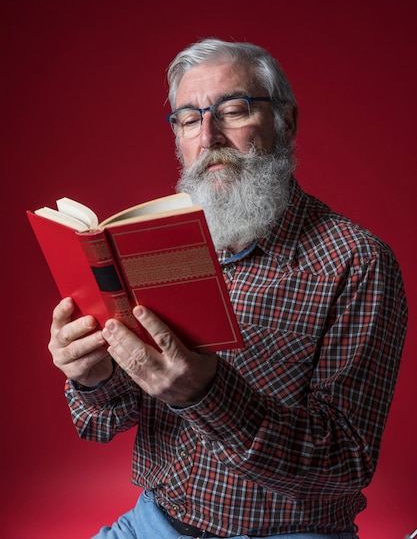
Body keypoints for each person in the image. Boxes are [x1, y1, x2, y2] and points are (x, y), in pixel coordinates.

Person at [49, 38, 408, 539]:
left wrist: (205, 392)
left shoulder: (356, 262)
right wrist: (92, 376)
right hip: (153, 524)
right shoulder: (153, 249)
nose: (209, 135)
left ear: (287, 121)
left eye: (232, 110)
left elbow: (346, 461)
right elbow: (102, 424)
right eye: (190, 119)